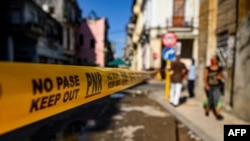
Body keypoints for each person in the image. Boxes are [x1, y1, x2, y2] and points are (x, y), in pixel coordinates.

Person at [203, 55, 224, 120]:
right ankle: (207, 110)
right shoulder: (207, 68)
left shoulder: (219, 68)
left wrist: (219, 77)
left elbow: (222, 75)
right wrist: (206, 85)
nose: (212, 60)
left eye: (213, 59)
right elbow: (204, 77)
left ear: (217, 61)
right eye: (211, 59)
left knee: (216, 100)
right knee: (210, 100)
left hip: (217, 86)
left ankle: (218, 114)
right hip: (209, 87)